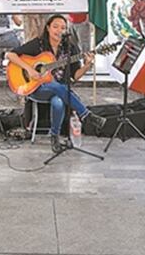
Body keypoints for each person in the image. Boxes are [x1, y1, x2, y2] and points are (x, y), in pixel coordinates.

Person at [6, 14, 105, 153]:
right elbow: (10, 55)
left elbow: (75, 76)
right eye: (55, 26)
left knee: (58, 101)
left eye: (63, 28)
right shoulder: (39, 44)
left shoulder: (70, 48)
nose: (59, 30)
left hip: (58, 90)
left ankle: (55, 136)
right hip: (35, 88)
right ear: (48, 28)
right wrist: (29, 69)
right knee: (58, 87)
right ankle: (85, 115)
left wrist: (87, 66)